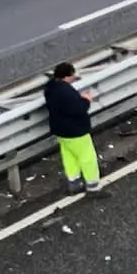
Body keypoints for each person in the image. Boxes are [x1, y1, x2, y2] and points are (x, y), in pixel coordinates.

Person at [42, 62, 100, 194]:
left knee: (69, 157)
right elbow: (78, 109)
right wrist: (86, 100)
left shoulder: (50, 88)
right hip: (76, 131)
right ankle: (93, 187)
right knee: (87, 157)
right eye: (73, 75)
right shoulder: (65, 91)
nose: (74, 77)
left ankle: (74, 183)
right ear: (66, 76)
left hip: (61, 131)